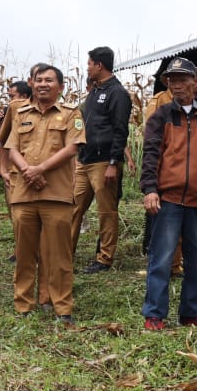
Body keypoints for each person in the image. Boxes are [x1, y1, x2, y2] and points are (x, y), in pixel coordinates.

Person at [140, 57, 197, 331]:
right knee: (161, 259)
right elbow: (151, 154)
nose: (176, 85)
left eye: (181, 79)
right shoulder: (162, 116)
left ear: (195, 82)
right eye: (171, 80)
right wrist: (150, 189)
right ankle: (154, 314)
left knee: (196, 260)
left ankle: (191, 313)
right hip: (167, 199)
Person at [5, 64, 85, 324]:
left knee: (59, 255)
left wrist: (39, 169)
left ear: (60, 87)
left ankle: (62, 307)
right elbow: (12, 148)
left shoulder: (72, 113)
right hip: (23, 195)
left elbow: (72, 148)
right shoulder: (21, 113)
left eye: (49, 80)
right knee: (24, 253)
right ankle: (23, 305)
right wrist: (28, 170)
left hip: (57, 195)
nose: (42, 84)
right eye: (38, 80)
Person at [70, 46, 132, 274]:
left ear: (99, 65)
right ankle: (65, 252)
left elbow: (120, 129)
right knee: (74, 207)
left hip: (104, 162)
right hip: (84, 161)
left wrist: (114, 163)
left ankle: (104, 259)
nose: (87, 68)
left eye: (89, 64)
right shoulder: (94, 92)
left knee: (106, 212)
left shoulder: (117, 93)